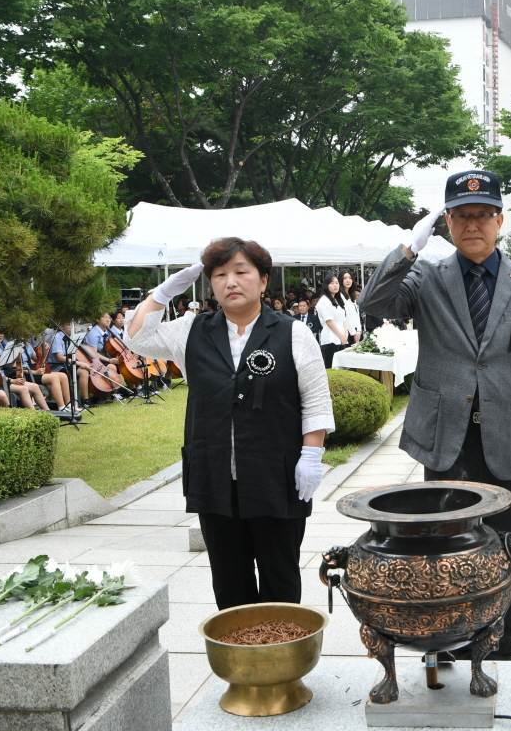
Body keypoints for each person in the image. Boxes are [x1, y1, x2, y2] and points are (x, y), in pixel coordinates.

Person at [360, 169, 511, 662]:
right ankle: (445, 642)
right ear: (447, 221)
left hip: (507, 434)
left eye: (484, 215)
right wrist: (406, 252)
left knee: (507, 545)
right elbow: (373, 305)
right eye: (462, 215)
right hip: (444, 437)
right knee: (443, 546)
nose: (474, 224)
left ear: (500, 221)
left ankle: (501, 647)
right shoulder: (426, 277)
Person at [126, 237, 334, 609]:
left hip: (276, 476)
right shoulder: (192, 330)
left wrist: (311, 455)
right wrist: (162, 293)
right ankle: (242, 662)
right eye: (220, 274)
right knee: (228, 579)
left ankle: (281, 660)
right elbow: (138, 337)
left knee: (279, 575)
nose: (230, 282)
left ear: (263, 280)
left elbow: (315, 399)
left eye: (241, 272)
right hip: (215, 476)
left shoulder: (293, 333)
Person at [315, 272, 349, 368]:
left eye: (337, 283)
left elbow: (343, 319)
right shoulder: (323, 301)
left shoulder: (338, 300)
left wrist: (346, 333)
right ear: (326, 285)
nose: (335, 285)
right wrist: (341, 336)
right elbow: (329, 322)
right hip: (331, 339)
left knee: (342, 369)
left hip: (342, 339)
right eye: (332, 283)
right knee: (332, 369)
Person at [340, 270, 363, 345]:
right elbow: (347, 316)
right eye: (345, 278)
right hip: (348, 332)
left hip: (356, 331)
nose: (348, 280)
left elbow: (357, 314)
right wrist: (353, 333)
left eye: (350, 278)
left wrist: (359, 330)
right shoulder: (340, 296)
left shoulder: (352, 295)